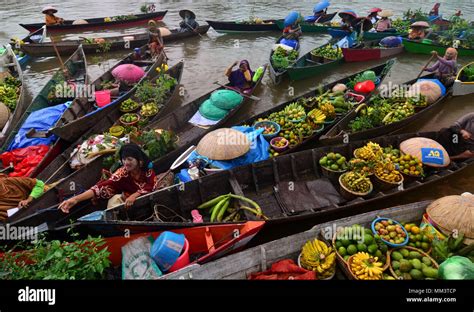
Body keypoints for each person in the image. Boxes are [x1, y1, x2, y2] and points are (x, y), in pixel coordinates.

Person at [58, 143, 156, 213]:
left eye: (129, 159)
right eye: (124, 159)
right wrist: (75, 199)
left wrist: (135, 195)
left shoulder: (147, 170)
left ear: (139, 161)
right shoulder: (122, 173)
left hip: (147, 200)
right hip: (128, 202)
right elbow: (101, 187)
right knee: (113, 203)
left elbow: (151, 185)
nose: (126, 163)